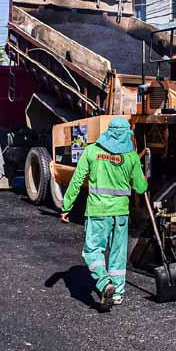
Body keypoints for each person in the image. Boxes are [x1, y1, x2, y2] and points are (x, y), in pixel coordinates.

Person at [60, 117, 148, 310]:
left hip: (98, 212)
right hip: (121, 214)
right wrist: (144, 176)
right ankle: (117, 294)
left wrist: (66, 207)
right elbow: (141, 189)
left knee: (92, 251)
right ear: (126, 135)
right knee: (117, 254)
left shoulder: (91, 151)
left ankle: (104, 282)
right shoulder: (131, 157)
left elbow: (76, 181)